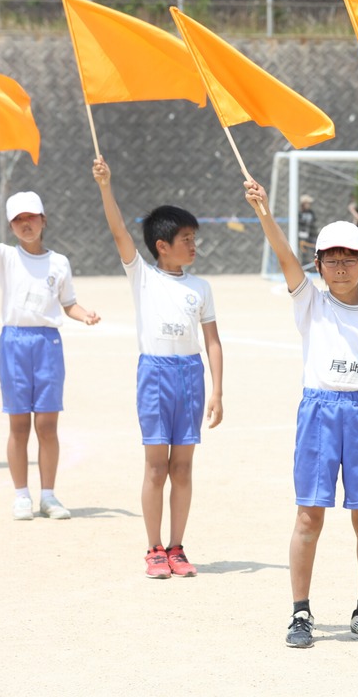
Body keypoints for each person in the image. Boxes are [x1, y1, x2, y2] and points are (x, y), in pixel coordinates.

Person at [244, 180, 358, 649]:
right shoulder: (310, 302)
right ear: (318, 265)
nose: (339, 267)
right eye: (330, 259)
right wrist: (265, 213)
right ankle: (300, 613)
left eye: (348, 258)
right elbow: (282, 256)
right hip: (319, 412)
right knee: (309, 516)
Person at [93, 156, 224, 579]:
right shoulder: (143, 277)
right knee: (155, 465)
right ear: (162, 245)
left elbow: (212, 342)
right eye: (187, 238)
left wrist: (217, 391)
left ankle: (177, 546)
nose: (194, 245)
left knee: (183, 466)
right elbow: (117, 231)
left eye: (194, 238)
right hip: (155, 374)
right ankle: (153, 549)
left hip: (190, 376)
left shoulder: (200, 288)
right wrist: (105, 186)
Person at [0, 183, 101, 520]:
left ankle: (48, 496)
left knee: (47, 426)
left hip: (48, 344)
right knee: (19, 425)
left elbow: (69, 304)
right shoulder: (5, 255)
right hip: (15, 343)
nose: (26, 224)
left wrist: (85, 315)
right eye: (18, 220)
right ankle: (22, 495)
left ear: (43, 220)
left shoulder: (59, 262)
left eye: (31, 217)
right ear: (11, 226)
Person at [297, 194, 316, 265]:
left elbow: (313, 222)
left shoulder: (311, 213)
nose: (309, 205)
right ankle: (303, 266)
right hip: (302, 236)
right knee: (303, 252)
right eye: (308, 203)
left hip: (310, 235)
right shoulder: (299, 213)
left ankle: (314, 266)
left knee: (315, 249)